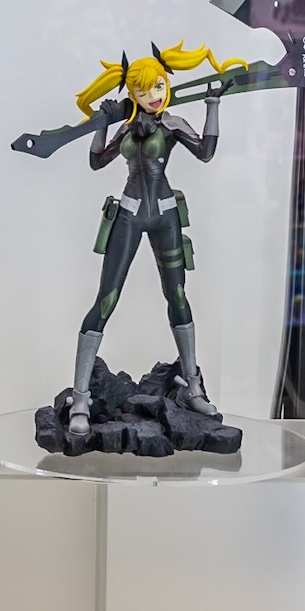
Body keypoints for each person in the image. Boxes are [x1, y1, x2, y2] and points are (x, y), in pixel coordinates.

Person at [66, 41, 246, 436]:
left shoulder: (173, 124)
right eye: (143, 90)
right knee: (106, 299)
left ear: (167, 84)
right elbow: (96, 161)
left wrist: (213, 106)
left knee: (177, 295)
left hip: (165, 214)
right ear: (132, 93)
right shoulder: (127, 126)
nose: (153, 96)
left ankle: (192, 385)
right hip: (129, 213)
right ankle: (80, 398)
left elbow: (206, 152)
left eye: (159, 86)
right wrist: (101, 124)